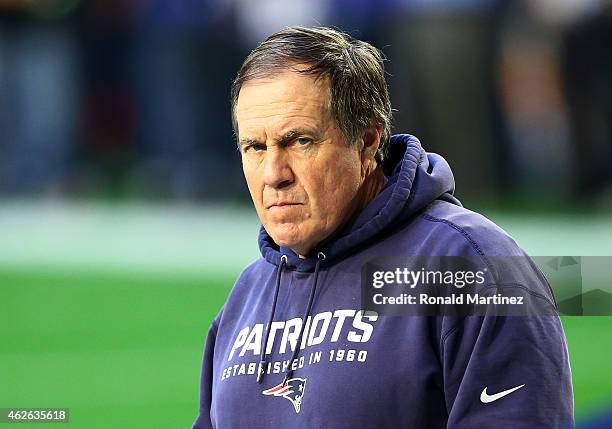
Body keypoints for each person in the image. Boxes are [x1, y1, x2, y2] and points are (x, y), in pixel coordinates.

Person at [192, 26, 573, 428]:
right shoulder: (247, 296)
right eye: (255, 147)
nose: (274, 173)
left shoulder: (472, 268)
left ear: (368, 140)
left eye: (299, 141)